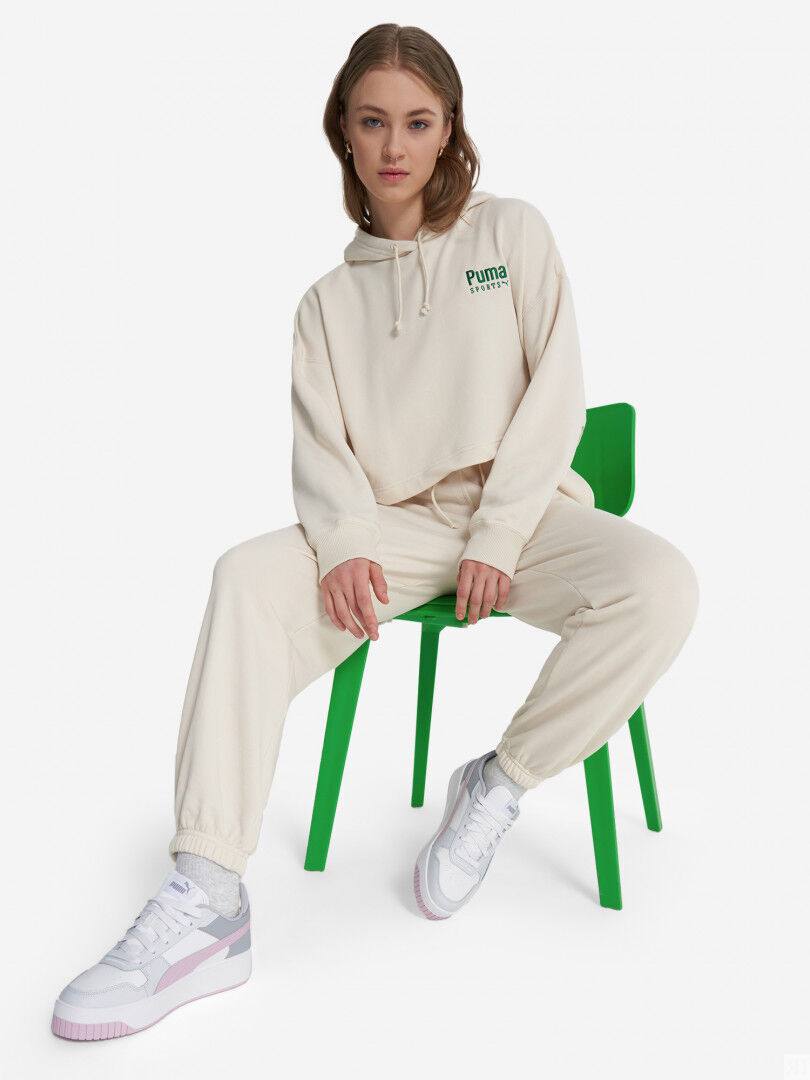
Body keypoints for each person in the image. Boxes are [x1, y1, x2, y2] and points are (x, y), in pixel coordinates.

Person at [51, 22, 699, 1041]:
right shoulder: (324, 306)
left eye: (418, 122)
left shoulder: (510, 235)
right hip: (395, 532)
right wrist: (348, 539)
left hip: (525, 517)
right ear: (343, 134)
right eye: (372, 122)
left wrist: (497, 535)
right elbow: (324, 452)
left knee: (662, 585)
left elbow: (556, 398)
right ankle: (208, 895)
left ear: (450, 131)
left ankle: (498, 783)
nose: (395, 145)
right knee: (245, 577)